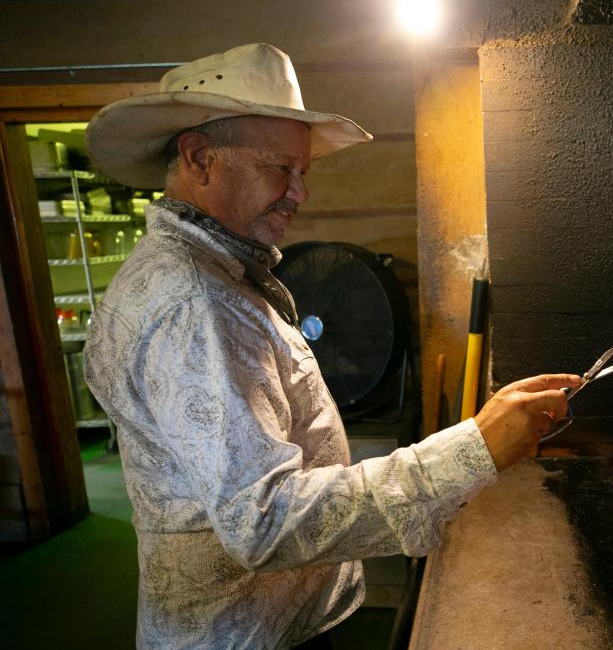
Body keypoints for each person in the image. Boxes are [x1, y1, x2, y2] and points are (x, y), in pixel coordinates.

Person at [83, 43, 579, 649]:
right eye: (279, 168)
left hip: (266, 623)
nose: (301, 193)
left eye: (304, 171)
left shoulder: (208, 275)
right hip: (246, 636)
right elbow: (263, 521)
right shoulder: (195, 304)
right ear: (199, 158)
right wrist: (472, 450)